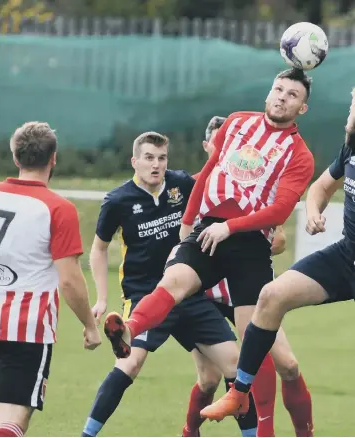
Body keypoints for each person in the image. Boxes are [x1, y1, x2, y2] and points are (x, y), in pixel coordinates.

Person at [103, 68, 316, 436]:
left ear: (302, 108)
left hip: (248, 243)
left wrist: (231, 226)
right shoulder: (236, 123)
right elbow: (207, 174)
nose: (282, 97)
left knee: (257, 349)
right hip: (208, 232)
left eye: (292, 95)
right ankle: (129, 330)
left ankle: (273, 432)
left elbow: (280, 212)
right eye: (278, 89)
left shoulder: (300, 155)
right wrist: (187, 227)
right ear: (269, 92)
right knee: (173, 282)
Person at [82, 132, 258, 437]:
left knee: (234, 366)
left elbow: (216, 183)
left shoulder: (182, 185)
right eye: (149, 158)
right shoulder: (118, 200)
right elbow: (98, 249)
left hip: (189, 294)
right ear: (134, 161)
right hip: (145, 295)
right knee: (129, 365)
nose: (156, 165)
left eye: (161, 158)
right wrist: (101, 298)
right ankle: (87, 434)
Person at [198, 88, 355, 423]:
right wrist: (313, 211)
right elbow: (320, 187)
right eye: (352, 102)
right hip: (347, 257)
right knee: (270, 296)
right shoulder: (351, 147)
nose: (350, 111)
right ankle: (239, 395)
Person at [183, 116, 308, 438]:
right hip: (206, 296)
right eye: (217, 142)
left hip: (246, 290)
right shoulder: (193, 187)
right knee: (210, 379)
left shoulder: (253, 187)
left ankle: (299, 433)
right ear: (208, 146)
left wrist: (243, 239)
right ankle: (189, 432)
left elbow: (277, 239)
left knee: (289, 366)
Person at [0, 122, 101, 438]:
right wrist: (90, 326)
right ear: (53, 159)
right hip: (27, 327)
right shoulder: (58, 208)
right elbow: (69, 281)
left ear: (15, 157)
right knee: (13, 419)